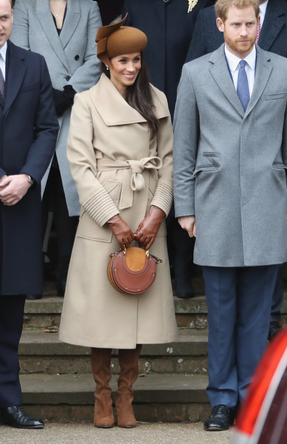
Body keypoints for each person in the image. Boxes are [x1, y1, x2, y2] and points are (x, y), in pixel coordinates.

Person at [59, 17, 178, 428]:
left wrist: (157, 212)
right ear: (107, 62)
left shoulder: (156, 100)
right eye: (123, 60)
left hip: (146, 213)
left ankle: (127, 395)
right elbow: (80, 166)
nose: (131, 67)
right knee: (102, 312)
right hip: (104, 215)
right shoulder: (87, 101)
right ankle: (102, 397)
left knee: (138, 305)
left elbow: (169, 163)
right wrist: (112, 218)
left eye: (137, 60)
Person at [173, 0, 287, 432]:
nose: (244, 32)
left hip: (269, 205)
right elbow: (184, 147)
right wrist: (185, 207)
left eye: (250, 23)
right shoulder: (195, 73)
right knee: (220, 316)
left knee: (259, 317)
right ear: (219, 24)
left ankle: (253, 398)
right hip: (214, 206)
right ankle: (222, 400)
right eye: (235, 24)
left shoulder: (283, 70)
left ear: (259, 23)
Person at [0, 0, 58, 432]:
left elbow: (47, 129)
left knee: (10, 310)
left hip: (20, 203)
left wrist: (26, 177)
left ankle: (7, 400)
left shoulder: (34, 65)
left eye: (5, 17)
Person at [121, 0, 216, 300]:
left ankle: (183, 269)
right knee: (150, 184)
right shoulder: (134, 4)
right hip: (142, 106)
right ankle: (149, 265)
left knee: (183, 182)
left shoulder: (202, 3)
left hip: (188, 102)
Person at [11, 0, 102, 298]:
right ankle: (30, 273)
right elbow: (18, 54)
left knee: (69, 193)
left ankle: (66, 272)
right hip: (33, 109)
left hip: (75, 108)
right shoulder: (25, 5)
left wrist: (70, 91)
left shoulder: (88, 6)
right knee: (35, 189)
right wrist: (46, 95)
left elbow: (97, 56)